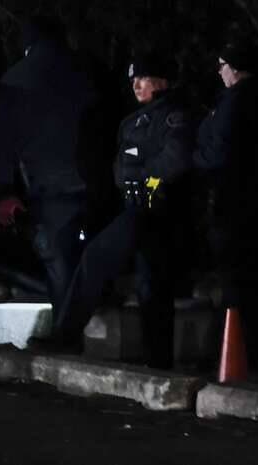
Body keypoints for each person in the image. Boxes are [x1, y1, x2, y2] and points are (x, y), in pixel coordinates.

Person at [51, 53, 193, 365]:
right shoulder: (134, 120)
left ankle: (65, 336)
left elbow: (174, 162)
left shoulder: (173, 116)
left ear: (161, 80)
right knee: (149, 282)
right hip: (135, 207)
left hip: (155, 208)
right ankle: (156, 359)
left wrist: (144, 177)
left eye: (142, 78)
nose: (136, 85)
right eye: (132, 81)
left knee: (112, 263)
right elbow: (121, 168)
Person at [0, 16, 100, 337]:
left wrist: (4, 190)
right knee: (85, 258)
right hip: (92, 181)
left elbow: (3, 143)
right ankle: (76, 327)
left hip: (47, 186)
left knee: (58, 262)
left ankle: (66, 334)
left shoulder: (16, 80)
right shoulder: (86, 73)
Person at [194, 38, 258, 370]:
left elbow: (218, 154)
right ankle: (256, 358)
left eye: (223, 66)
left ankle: (222, 356)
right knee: (248, 283)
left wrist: (197, 157)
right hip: (257, 204)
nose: (219, 72)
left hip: (232, 203)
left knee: (234, 282)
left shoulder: (235, 102)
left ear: (235, 69)